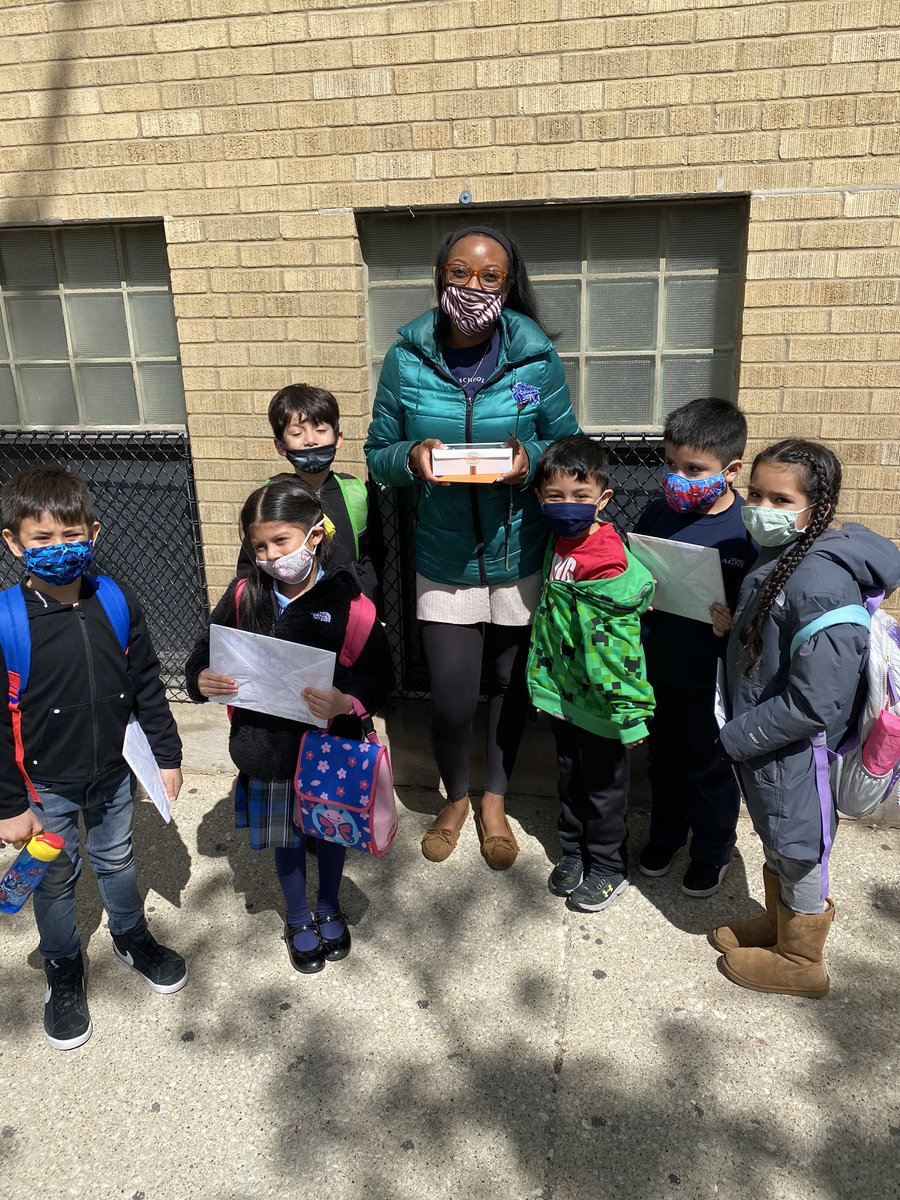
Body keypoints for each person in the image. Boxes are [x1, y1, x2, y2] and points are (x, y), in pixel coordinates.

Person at [364, 225, 580, 870]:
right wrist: (412, 457)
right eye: (461, 274)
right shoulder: (406, 359)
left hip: (520, 552)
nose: (474, 289)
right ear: (440, 278)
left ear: (509, 285)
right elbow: (378, 453)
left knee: (511, 689)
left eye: (490, 278)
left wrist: (528, 459)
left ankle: (494, 798)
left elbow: (567, 446)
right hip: (444, 554)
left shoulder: (533, 361)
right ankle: (453, 795)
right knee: (454, 696)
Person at [0, 466, 186, 1051]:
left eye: (72, 534)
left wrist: (167, 753)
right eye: (42, 538)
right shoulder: (6, 619)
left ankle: (131, 936)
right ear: (13, 543)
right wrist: (9, 804)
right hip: (42, 785)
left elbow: (147, 682)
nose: (60, 548)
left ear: (95, 532)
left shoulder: (116, 598)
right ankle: (62, 965)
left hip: (112, 772)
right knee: (53, 879)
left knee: (117, 858)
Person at [711, 439, 900, 997]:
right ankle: (777, 923)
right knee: (778, 835)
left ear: (817, 509)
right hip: (770, 743)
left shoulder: (819, 582)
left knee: (800, 844)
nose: (762, 508)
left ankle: (801, 959)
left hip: (793, 749)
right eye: (756, 494)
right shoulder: (787, 557)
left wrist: (737, 736)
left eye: (780, 498)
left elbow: (819, 701)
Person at [185, 475, 393, 973]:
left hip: (328, 751)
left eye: (281, 540)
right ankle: (299, 916)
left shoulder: (351, 603)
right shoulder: (243, 596)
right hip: (267, 749)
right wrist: (202, 679)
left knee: (331, 832)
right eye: (259, 545)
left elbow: (379, 676)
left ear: (314, 536)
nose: (271, 555)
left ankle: (328, 905)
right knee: (286, 836)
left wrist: (348, 701)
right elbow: (203, 652)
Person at [633, 398, 756, 897]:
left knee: (710, 765)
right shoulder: (656, 512)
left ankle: (711, 851)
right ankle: (666, 836)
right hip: (661, 663)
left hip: (715, 677)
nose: (678, 476)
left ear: (731, 471)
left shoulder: (748, 530)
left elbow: (764, 610)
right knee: (664, 760)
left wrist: (737, 624)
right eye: (670, 464)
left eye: (694, 469)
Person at [528, 437, 655, 912]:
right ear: (540, 497)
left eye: (580, 497)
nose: (567, 506)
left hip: (603, 703)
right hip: (566, 694)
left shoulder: (603, 556)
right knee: (570, 777)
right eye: (555, 496)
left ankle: (608, 866)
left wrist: (628, 714)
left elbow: (617, 645)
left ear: (603, 500)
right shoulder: (559, 542)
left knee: (603, 788)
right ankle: (574, 852)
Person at [237, 383, 381, 600]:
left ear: (338, 438)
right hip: (288, 611)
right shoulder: (271, 498)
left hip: (348, 606)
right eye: (296, 433)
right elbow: (249, 566)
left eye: (321, 430)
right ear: (280, 446)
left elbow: (372, 553)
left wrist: (363, 596)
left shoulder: (355, 491)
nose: (310, 440)